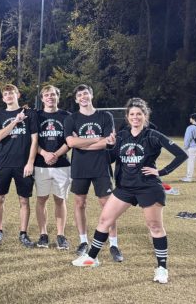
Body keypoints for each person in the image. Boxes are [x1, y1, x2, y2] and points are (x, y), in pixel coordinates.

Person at [72, 98, 187, 284]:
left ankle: (162, 268)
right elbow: (109, 158)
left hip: (148, 187)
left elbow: (182, 154)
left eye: (139, 114)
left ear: (145, 116)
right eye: (132, 114)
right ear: (127, 117)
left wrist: (161, 172)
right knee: (104, 220)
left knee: (155, 227)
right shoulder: (122, 136)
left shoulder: (153, 135)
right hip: (124, 188)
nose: (135, 117)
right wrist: (108, 145)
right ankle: (92, 258)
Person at [64, 84, 123, 262]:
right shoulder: (71, 118)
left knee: (107, 205)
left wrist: (83, 142)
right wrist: (98, 139)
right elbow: (71, 143)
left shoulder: (105, 116)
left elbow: (108, 143)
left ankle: (113, 244)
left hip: (101, 166)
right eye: (79, 95)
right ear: (76, 99)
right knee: (80, 203)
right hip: (80, 167)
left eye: (86, 94)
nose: (83, 97)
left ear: (91, 95)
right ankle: (83, 241)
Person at [0, 84, 38, 248]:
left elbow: (34, 140)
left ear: (18, 95)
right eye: (5, 94)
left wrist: (30, 162)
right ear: (3, 98)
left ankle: (23, 234)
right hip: (3, 163)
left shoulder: (30, 114)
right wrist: (15, 122)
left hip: (23, 164)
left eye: (12, 93)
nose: (9, 95)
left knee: (24, 200)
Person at [34, 85, 71, 250]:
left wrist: (55, 154)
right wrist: (44, 154)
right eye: (46, 95)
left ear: (58, 97)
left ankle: (61, 235)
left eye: (53, 94)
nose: (50, 97)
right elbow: (31, 140)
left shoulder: (66, 116)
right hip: (41, 164)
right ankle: (43, 234)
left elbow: (70, 140)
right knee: (41, 199)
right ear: (42, 99)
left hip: (62, 164)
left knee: (60, 199)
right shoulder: (36, 116)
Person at [181, 113, 196, 182]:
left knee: (190, 162)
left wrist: (185, 147)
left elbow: (187, 139)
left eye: (191, 118)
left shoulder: (190, 127)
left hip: (193, 148)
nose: (190, 119)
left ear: (193, 119)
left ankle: (189, 178)